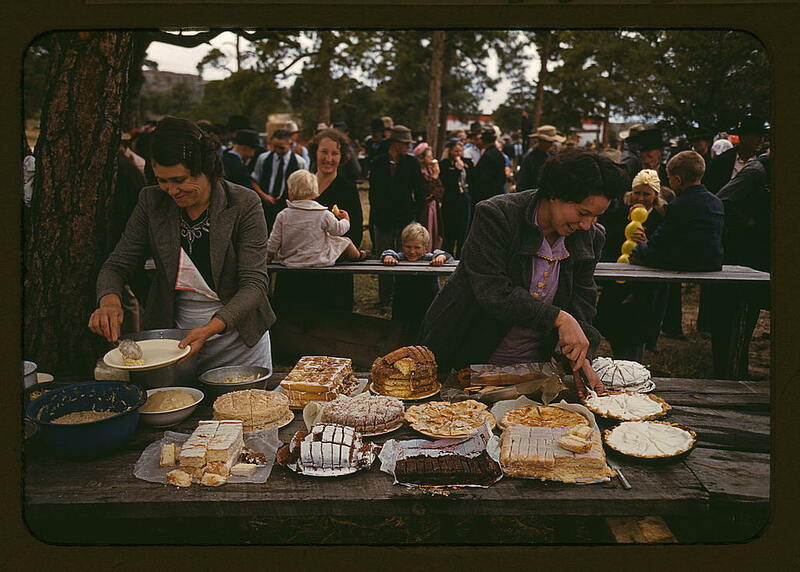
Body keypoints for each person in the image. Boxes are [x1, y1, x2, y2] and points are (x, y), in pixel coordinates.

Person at [420, 150, 628, 398]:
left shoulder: (590, 237)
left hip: (533, 369)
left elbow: (582, 301)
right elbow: (492, 290)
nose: (586, 224)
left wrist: (580, 357)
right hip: (467, 355)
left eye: (596, 216)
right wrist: (560, 318)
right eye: (582, 213)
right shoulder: (497, 216)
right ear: (553, 194)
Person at [89, 116, 275, 374]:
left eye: (180, 180)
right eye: (162, 180)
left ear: (207, 169)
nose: (171, 190)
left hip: (239, 340)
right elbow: (118, 264)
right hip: (175, 343)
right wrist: (109, 301)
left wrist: (210, 328)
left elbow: (254, 284)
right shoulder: (151, 201)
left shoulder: (243, 203)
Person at [272, 128, 365, 312]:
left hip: (331, 277)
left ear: (342, 156)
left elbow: (354, 233)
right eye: (324, 152)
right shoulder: (299, 183)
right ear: (315, 152)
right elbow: (278, 220)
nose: (328, 159)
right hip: (295, 275)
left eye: (334, 153)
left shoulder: (347, 189)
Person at [595, 170, 670, 361]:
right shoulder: (617, 212)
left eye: (647, 194)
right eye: (637, 192)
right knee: (614, 330)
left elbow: (662, 252)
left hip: (644, 290)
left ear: (655, 196)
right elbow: (607, 243)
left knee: (636, 336)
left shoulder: (661, 219)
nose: (641, 198)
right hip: (617, 285)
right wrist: (625, 226)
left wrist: (646, 243)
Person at [630, 150, 724, 271]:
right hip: (712, 262)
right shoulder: (716, 202)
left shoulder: (679, 204)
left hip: (685, 262)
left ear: (678, 180)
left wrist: (642, 246)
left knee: (637, 251)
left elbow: (659, 243)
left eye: (670, 178)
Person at [368, 125, 426, 304]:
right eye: (405, 143)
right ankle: (385, 299)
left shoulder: (411, 163)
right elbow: (373, 192)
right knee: (384, 259)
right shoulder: (378, 162)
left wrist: (414, 213)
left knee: (407, 258)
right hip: (383, 220)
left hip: (404, 219)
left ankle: (403, 298)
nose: (408, 146)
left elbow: (420, 190)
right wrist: (377, 214)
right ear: (395, 143)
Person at [267, 170, 366, 267]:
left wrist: (269, 255)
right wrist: (345, 220)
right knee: (345, 241)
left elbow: (274, 240)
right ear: (315, 192)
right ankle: (358, 255)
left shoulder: (283, 215)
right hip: (319, 259)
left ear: (291, 193)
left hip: (291, 260)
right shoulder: (323, 213)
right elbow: (338, 230)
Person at [381, 223, 454, 343]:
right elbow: (387, 253)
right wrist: (388, 257)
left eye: (417, 247)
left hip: (427, 302)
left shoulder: (429, 258)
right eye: (408, 247)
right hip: (403, 303)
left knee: (425, 331)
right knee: (401, 331)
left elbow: (446, 255)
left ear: (425, 247)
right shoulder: (400, 258)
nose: (412, 251)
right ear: (402, 245)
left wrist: (441, 257)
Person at [251, 128, 308, 232]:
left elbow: (303, 188)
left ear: (290, 144)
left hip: (288, 208)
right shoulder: (263, 158)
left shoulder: (300, 163)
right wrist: (264, 195)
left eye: (281, 147)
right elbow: (254, 180)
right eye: (274, 146)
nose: (277, 150)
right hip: (265, 205)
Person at [705, 116, 769, 194]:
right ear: (743, 137)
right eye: (756, 136)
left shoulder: (766, 162)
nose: (761, 140)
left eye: (763, 136)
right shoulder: (722, 161)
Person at [439, 138, 474, 258]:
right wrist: (456, 171)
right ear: (449, 151)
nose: (458, 154)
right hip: (450, 199)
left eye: (460, 151)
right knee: (449, 230)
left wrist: (465, 168)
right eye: (455, 151)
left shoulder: (467, 162)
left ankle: (460, 257)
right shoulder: (444, 164)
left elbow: (473, 179)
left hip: (464, 198)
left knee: (463, 230)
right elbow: (447, 183)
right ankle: (446, 255)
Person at [413, 142, 444, 252]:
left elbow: (440, 190)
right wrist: (434, 177)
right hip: (424, 207)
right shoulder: (419, 173)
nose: (431, 158)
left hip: (433, 207)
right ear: (422, 158)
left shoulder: (431, 170)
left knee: (435, 232)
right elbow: (425, 191)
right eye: (429, 156)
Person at [516, 125, 565, 192]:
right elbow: (522, 183)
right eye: (549, 142)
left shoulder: (553, 155)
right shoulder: (530, 158)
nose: (551, 144)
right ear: (541, 141)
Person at [469, 128, 506, 205]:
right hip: (496, 192)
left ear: (483, 141)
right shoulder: (498, 153)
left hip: (487, 195)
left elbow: (484, 179)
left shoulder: (488, 156)